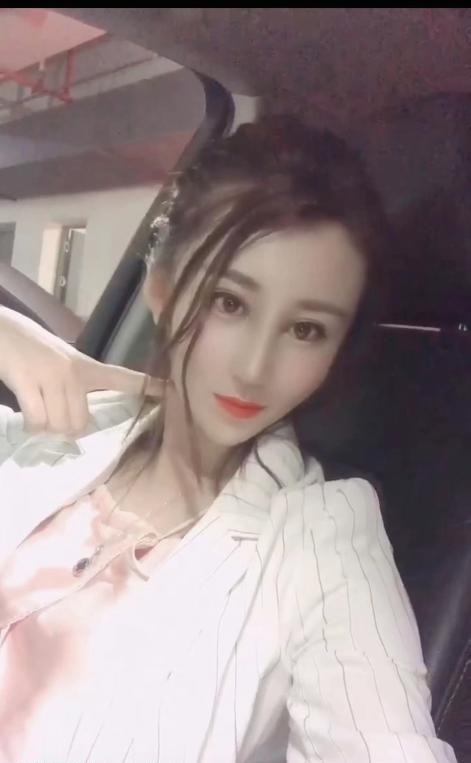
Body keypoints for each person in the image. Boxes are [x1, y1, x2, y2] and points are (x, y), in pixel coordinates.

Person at [0, 116, 457, 763]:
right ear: (161, 290)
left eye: (305, 330)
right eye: (229, 302)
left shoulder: (321, 541)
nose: (253, 368)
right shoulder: (57, 436)